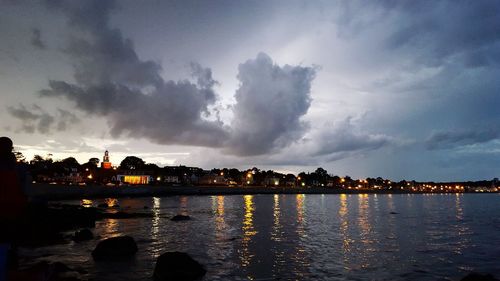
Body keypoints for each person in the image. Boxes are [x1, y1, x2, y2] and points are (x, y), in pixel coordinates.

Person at [0, 137, 28, 281]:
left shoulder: (17, 167)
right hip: (13, 212)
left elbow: (23, 189)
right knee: (9, 247)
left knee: (8, 247)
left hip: (12, 212)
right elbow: (24, 189)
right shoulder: (18, 167)